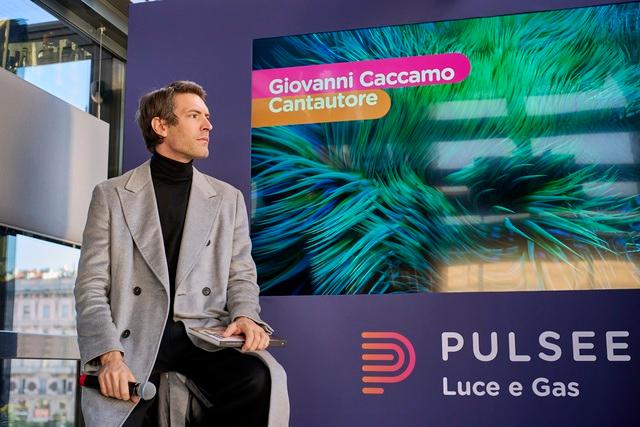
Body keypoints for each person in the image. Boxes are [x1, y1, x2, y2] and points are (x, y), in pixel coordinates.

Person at [74, 80, 280, 426]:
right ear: (161, 126)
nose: (208, 125)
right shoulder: (111, 195)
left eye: (207, 116)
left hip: (200, 334)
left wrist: (246, 315)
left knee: (257, 378)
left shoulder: (227, 199)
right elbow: (91, 287)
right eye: (194, 115)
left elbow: (241, 275)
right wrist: (108, 356)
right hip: (133, 335)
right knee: (121, 411)